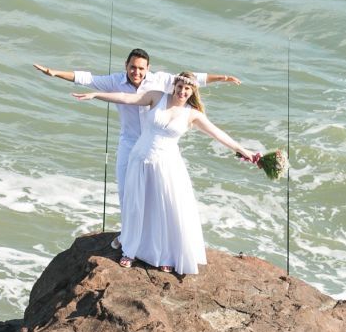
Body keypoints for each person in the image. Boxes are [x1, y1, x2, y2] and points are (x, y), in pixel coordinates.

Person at [33, 51, 241, 240]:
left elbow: (194, 80)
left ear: (148, 69)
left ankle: (152, 236)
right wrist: (53, 73)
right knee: (126, 190)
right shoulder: (115, 81)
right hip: (130, 143)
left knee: (155, 194)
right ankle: (129, 234)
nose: (136, 72)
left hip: (156, 146)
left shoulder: (160, 80)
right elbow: (87, 78)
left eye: (141, 68)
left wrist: (222, 78)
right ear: (126, 66)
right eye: (133, 67)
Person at [73, 72, 260, 275]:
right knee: (137, 204)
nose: (182, 91)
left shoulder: (192, 114)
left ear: (192, 91)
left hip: (167, 165)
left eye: (187, 89)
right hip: (140, 159)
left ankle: (165, 254)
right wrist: (96, 95)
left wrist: (244, 151)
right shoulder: (156, 96)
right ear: (174, 86)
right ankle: (130, 248)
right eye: (180, 87)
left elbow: (218, 134)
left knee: (164, 208)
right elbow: (128, 98)